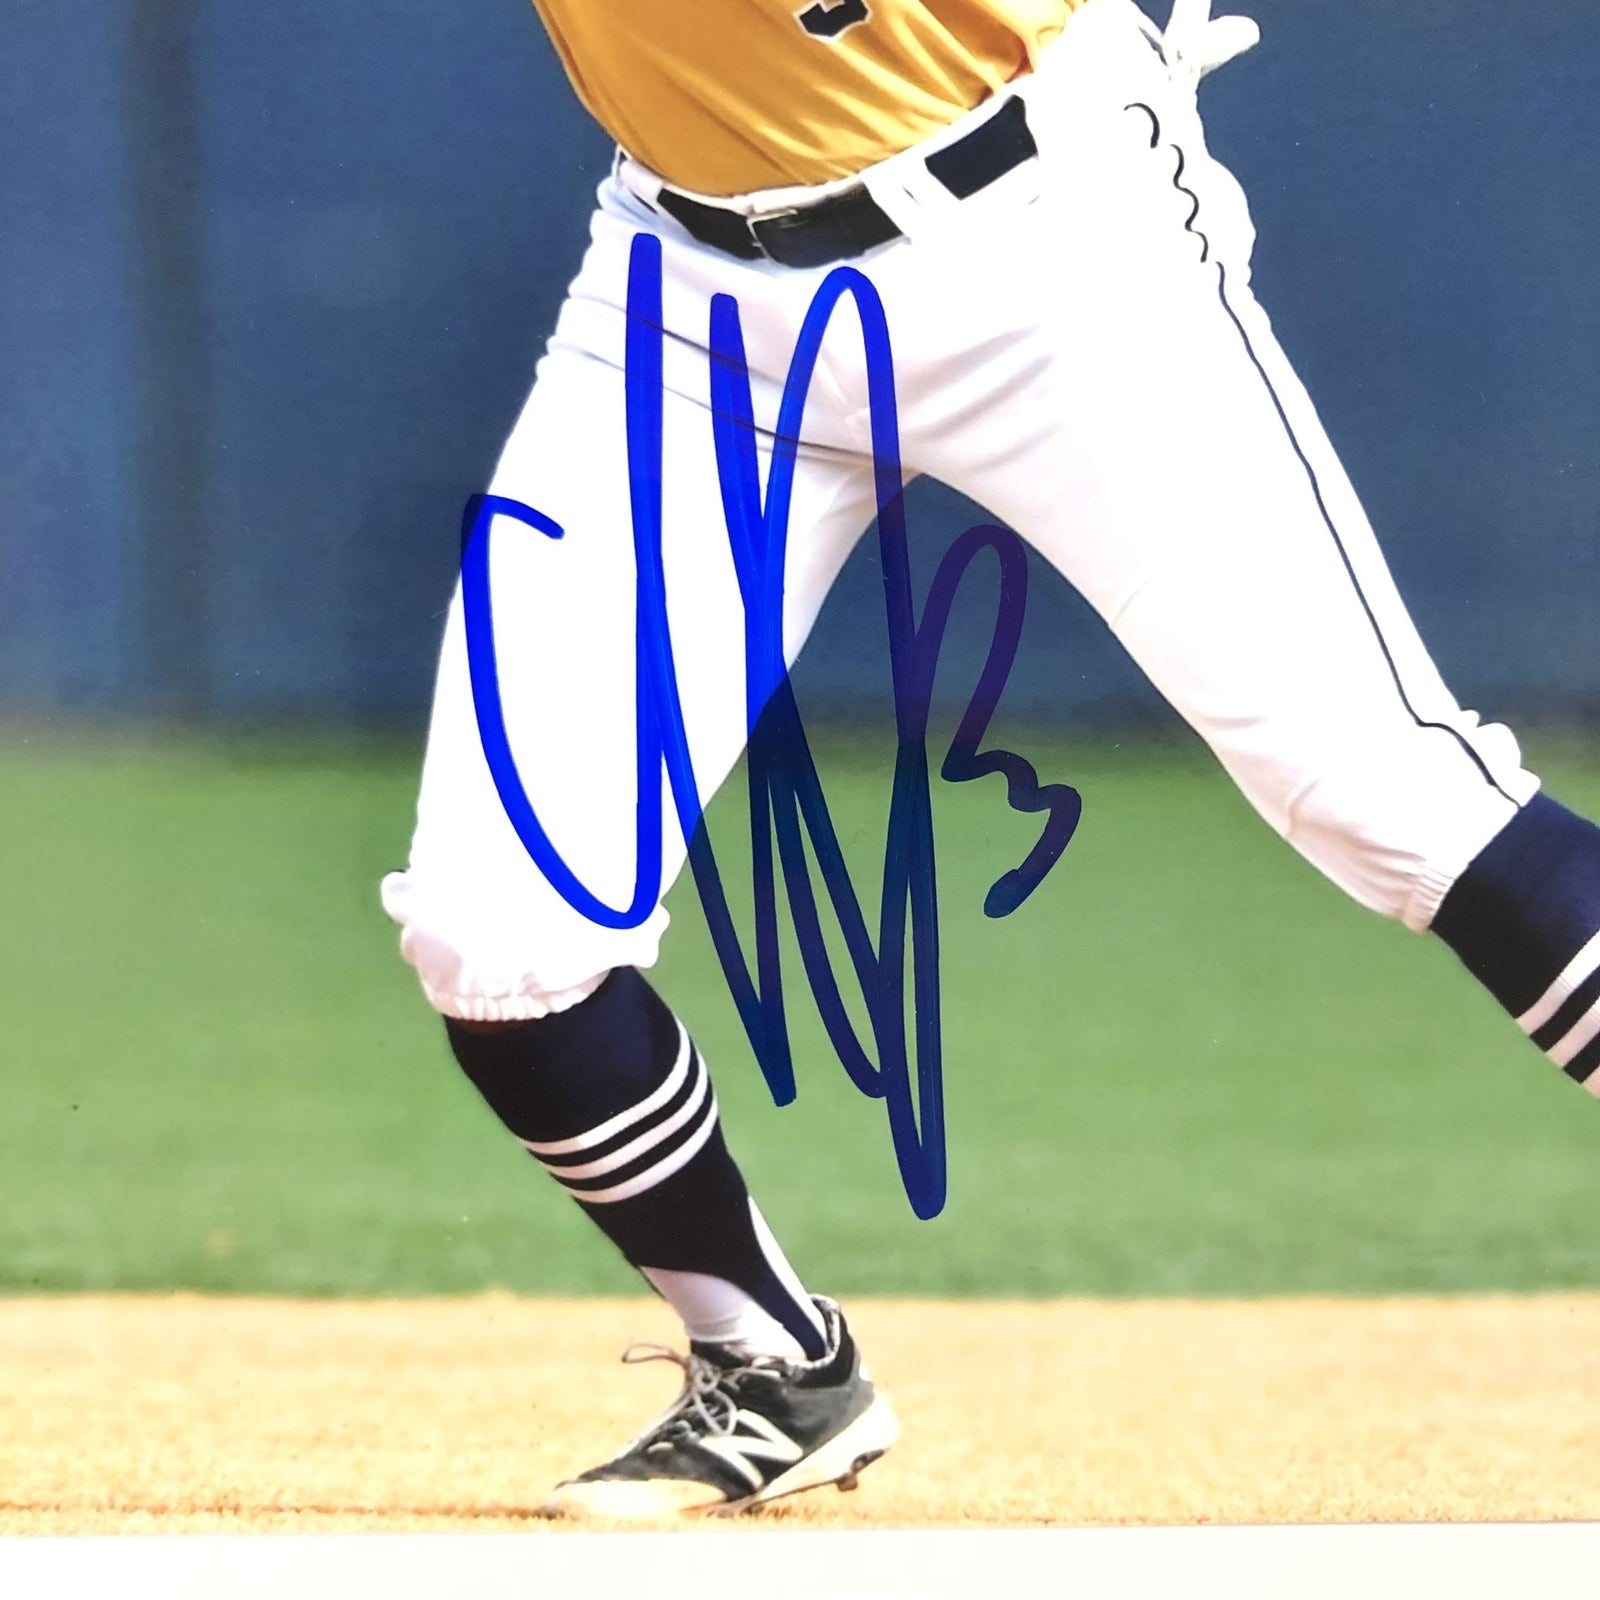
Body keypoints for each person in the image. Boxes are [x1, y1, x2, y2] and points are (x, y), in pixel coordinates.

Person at [381, 0, 1600, 1517]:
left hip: (1038, 231)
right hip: (685, 297)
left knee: (1388, 798)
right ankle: (774, 1370)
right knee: (496, 935)